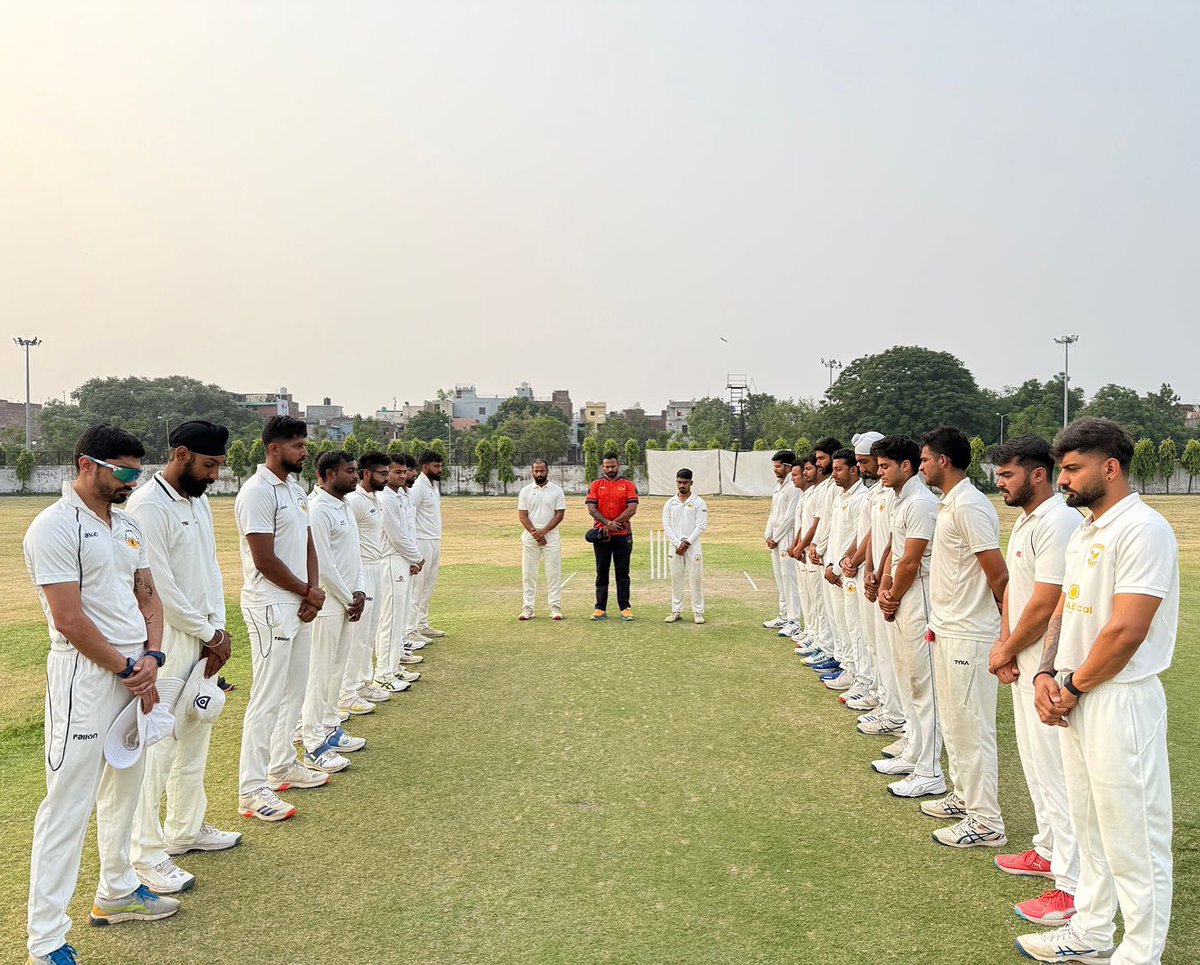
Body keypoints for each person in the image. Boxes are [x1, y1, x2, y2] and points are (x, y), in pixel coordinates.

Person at [1017, 418, 1178, 965]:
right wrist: (1045, 672)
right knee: (1088, 826)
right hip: (1077, 693)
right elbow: (1066, 605)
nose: (1062, 480)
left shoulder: (1143, 529)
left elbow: (1126, 630)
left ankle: (1139, 954)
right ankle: (1090, 930)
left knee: (1134, 835)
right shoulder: (1088, 529)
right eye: (1061, 469)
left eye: (1072, 469)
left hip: (1119, 699)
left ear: (1110, 468)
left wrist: (1072, 686)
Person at [24, 425, 178, 964]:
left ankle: (115, 891)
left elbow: (148, 595)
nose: (134, 481)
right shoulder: (55, 527)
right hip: (85, 677)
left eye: (140, 471)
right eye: (126, 471)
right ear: (87, 464)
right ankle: (46, 942)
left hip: (136, 671)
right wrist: (126, 667)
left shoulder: (128, 523)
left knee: (126, 787)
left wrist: (153, 657)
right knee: (67, 805)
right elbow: (68, 619)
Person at [127, 421, 240, 897]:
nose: (215, 475)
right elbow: (160, 588)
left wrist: (217, 630)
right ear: (181, 453)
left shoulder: (196, 500)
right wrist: (206, 631)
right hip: (170, 641)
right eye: (209, 465)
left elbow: (208, 570)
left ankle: (185, 830)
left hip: (203, 637)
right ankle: (146, 854)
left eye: (219, 466)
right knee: (159, 746)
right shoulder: (148, 506)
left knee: (196, 731)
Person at [988, 434, 1082, 926]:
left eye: (1007, 475)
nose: (999, 483)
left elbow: (1048, 600)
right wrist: (1005, 645)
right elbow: (1013, 593)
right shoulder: (1026, 521)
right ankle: (1048, 852)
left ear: (1037, 474)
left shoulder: (1060, 520)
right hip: (1023, 661)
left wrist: (1010, 647)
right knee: (1035, 767)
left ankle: (1072, 887)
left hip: (1049, 666)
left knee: (1058, 774)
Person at [235, 416, 328, 823]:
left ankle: (281, 766)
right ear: (273, 448)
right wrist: (306, 592)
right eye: (297, 446)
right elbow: (264, 559)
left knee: (295, 689)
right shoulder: (257, 492)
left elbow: (307, 541)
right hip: (270, 604)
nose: (305, 452)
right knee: (267, 696)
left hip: (298, 600)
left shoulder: (294, 489)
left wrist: (313, 590)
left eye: (305, 445)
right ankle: (251, 790)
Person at [920, 426, 1009, 849]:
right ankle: (964, 797)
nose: (920, 466)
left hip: (971, 634)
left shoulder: (969, 505)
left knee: (972, 727)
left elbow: (998, 574)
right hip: (949, 628)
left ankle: (986, 821)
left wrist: (1004, 635)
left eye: (924, 459)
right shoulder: (949, 503)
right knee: (955, 724)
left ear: (943, 460)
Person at [875, 435, 945, 799]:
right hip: (902, 593)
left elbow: (912, 560)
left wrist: (893, 595)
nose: (880, 473)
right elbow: (893, 550)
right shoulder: (899, 499)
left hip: (919, 597)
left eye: (886, 466)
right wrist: (887, 588)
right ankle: (915, 750)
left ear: (906, 466)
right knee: (906, 677)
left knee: (923, 684)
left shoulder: (920, 502)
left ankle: (930, 769)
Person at [303, 450, 368, 775]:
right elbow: (324, 565)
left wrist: (359, 594)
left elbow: (352, 557)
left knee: (336, 670)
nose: (355, 476)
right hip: (328, 606)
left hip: (346, 604)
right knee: (320, 673)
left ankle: (330, 727)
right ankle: (313, 743)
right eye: (349, 471)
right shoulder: (317, 509)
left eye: (355, 470)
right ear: (328, 474)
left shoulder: (342, 506)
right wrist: (347, 597)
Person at [342, 451, 398, 704]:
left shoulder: (375, 498)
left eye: (388, 473)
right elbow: (346, 541)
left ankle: (364, 684)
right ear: (366, 474)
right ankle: (348, 692)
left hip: (376, 568)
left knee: (369, 633)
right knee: (359, 636)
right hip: (362, 569)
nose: (387, 478)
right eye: (382, 474)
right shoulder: (355, 501)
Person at [839, 431, 886, 711]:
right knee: (865, 634)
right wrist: (849, 557)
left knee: (879, 643)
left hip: (879, 577)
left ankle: (881, 695)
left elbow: (880, 537)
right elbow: (863, 533)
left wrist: (857, 561)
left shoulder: (883, 493)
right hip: (865, 571)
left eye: (866, 462)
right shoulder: (876, 492)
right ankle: (873, 688)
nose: (865, 468)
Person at [821, 449, 868, 692]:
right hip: (835, 570)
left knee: (854, 626)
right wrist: (830, 565)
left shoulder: (862, 498)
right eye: (834, 468)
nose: (834, 473)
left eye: (839, 469)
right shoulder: (840, 496)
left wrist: (840, 567)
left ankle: (857, 673)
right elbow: (834, 534)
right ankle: (848, 667)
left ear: (854, 470)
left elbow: (858, 539)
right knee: (841, 621)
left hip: (849, 572)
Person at [377, 453, 425, 683]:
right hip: (391, 560)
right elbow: (396, 536)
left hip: (403, 560)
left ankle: (394, 665)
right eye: (396, 472)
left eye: (404, 472)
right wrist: (416, 557)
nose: (402, 476)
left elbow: (408, 532)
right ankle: (384, 673)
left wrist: (412, 559)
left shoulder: (400, 496)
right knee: (390, 620)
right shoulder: (385, 498)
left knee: (400, 618)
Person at [586, 454, 639, 620]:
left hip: (623, 535)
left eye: (613, 466)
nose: (610, 469)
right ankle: (600, 608)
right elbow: (591, 509)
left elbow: (632, 508)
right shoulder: (595, 485)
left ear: (618, 466)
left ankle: (625, 608)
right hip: (602, 535)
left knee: (622, 572)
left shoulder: (628, 485)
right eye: (607, 466)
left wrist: (614, 523)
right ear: (603, 467)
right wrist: (607, 524)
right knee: (602, 571)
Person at [793, 454, 832, 668]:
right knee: (809, 597)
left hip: (818, 553)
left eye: (810, 467)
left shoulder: (824, 490)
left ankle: (824, 644)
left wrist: (804, 545)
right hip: (807, 551)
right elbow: (803, 524)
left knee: (820, 601)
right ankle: (814, 634)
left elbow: (817, 525)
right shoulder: (810, 493)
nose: (810, 470)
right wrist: (797, 544)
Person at [517, 458, 567, 620]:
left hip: (551, 537)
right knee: (529, 574)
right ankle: (528, 609)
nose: (539, 473)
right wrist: (535, 533)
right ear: (532, 472)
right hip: (531, 538)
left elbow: (559, 514)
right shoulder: (525, 491)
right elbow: (522, 515)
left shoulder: (557, 491)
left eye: (542, 470)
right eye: (536, 470)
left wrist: (544, 532)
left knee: (553, 573)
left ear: (547, 471)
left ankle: (555, 608)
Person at [762, 449, 801, 634]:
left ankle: (794, 621)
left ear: (788, 466)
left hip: (787, 538)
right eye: (774, 466)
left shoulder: (793, 487)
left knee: (789, 579)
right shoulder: (778, 486)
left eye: (778, 466)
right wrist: (768, 534)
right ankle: (783, 615)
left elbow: (790, 517)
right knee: (780, 578)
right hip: (776, 538)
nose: (775, 470)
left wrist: (776, 537)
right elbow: (773, 513)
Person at [662, 468, 708, 624]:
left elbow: (701, 526)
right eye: (679, 482)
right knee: (676, 578)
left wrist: (687, 542)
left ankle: (698, 612)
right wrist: (677, 543)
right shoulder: (670, 503)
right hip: (675, 546)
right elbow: (667, 526)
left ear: (691, 483)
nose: (681, 485)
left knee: (695, 578)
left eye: (685, 483)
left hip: (692, 546)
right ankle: (676, 611)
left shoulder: (698, 502)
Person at [408, 450, 446, 639]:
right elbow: (409, 516)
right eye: (436, 466)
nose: (440, 470)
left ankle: (422, 623)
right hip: (421, 541)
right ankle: (411, 629)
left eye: (441, 466)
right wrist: (413, 548)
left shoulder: (433, 486)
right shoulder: (418, 487)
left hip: (434, 540)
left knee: (428, 586)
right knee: (417, 587)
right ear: (425, 467)